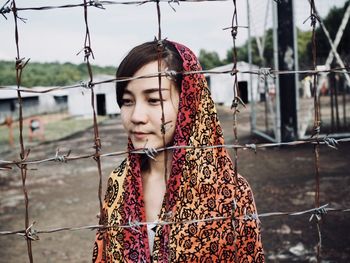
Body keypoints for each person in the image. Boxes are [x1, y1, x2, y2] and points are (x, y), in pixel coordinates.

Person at [92, 40, 264, 262]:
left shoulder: (229, 191)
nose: (136, 116)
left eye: (153, 100)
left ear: (189, 104)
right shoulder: (119, 182)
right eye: (127, 101)